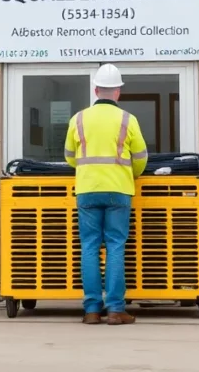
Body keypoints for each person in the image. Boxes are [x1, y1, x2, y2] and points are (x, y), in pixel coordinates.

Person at [64, 63, 148, 325]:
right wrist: (127, 173)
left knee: (89, 247)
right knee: (115, 247)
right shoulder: (128, 119)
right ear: (118, 92)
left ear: (96, 89)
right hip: (119, 190)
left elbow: (69, 157)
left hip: (87, 190)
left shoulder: (77, 119)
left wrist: (88, 170)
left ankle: (91, 310)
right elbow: (141, 159)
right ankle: (115, 309)